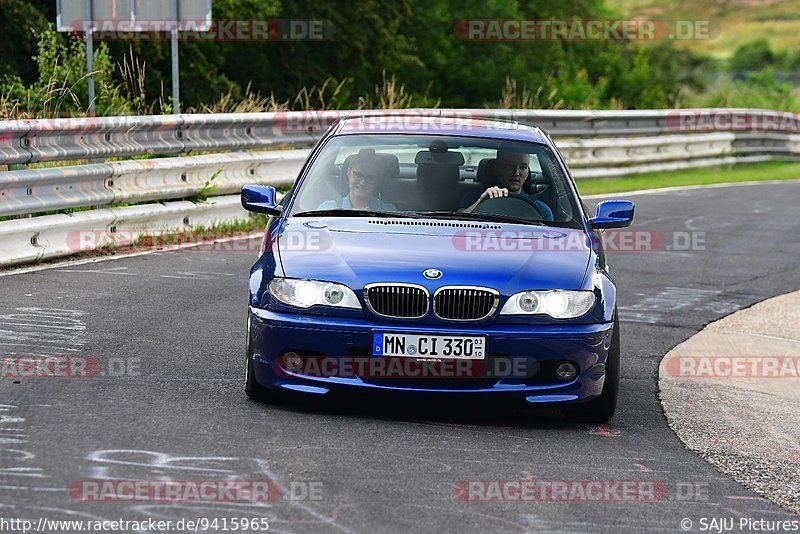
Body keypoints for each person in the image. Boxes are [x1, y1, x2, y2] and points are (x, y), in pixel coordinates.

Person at [459, 149, 553, 220]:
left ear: (528, 173)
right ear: (496, 169)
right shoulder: (475, 196)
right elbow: (458, 220)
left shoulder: (541, 209)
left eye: (523, 167)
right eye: (509, 166)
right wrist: (481, 201)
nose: (516, 173)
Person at [318, 153, 396, 210]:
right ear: (348, 173)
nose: (363, 182)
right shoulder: (327, 209)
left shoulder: (388, 211)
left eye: (370, 177)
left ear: (378, 180)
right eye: (358, 175)